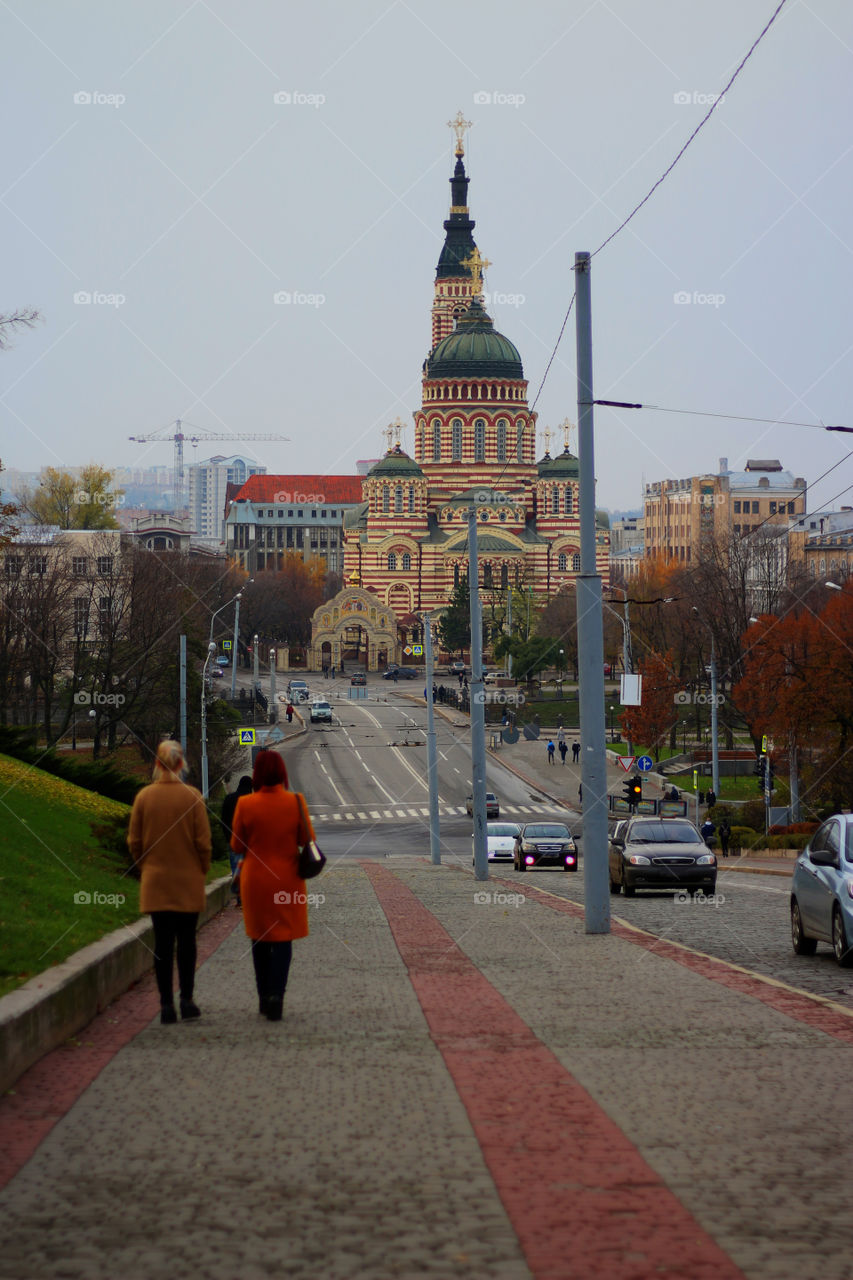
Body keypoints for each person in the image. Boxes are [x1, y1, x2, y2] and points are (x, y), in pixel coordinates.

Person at [128, 740, 212, 1025]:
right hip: (187, 881)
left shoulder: (144, 797)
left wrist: (146, 868)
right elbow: (203, 843)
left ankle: (165, 1006)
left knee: (162, 945)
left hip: (156, 881)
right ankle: (187, 1000)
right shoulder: (192, 797)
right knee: (187, 942)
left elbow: (134, 842)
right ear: (180, 765)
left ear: (157, 765)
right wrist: (202, 870)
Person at [230, 750, 316, 1022]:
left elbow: (236, 846)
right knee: (283, 938)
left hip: (255, 879)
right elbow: (307, 839)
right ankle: (277, 995)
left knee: (259, 938)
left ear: (256, 774)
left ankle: (263, 997)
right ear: (282, 773)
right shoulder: (296, 802)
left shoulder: (246, 804)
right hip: (287, 880)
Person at [221, 775, 253, 905]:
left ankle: (240, 896)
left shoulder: (229, 799)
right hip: (250, 842)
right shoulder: (252, 800)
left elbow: (223, 820)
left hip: (233, 839)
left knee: (236, 867)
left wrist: (228, 837)